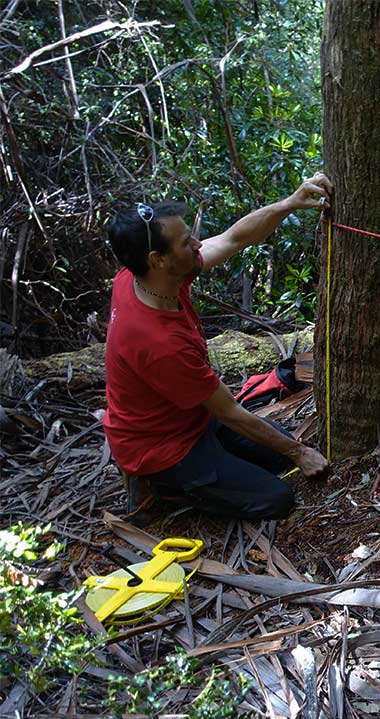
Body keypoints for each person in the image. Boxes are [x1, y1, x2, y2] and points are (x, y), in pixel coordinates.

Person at [103, 173, 334, 520]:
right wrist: (300, 452)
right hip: (162, 448)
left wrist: (290, 203)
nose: (197, 243)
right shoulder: (158, 342)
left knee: (277, 456)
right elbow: (228, 410)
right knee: (276, 499)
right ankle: (163, 487)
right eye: (186, 242)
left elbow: (233, 239)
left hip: (196, 418)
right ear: (158, 260)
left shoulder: (146, 278)